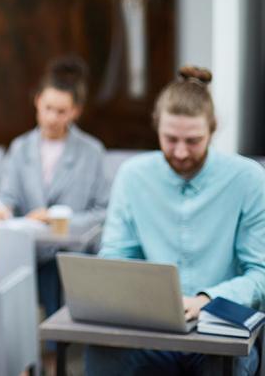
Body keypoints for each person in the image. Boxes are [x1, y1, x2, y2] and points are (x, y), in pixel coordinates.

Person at [85, 66, 265, 376]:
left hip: (219, 331)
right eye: (170, 139)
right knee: (102, 356)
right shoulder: (133, 176)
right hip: (149, 331)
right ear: (156, 127)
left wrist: (207, 299)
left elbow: (260, 272)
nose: (180, 152)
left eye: (193, 141)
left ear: (213, 129)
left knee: (224, 365)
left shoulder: (248, 179)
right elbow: (116, 256)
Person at [0, 56, 109, 321]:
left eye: (61, 111)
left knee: (56, 277)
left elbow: (104, 211)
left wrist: (61, 220)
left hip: (70, 254)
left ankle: (54, 349)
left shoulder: (91, 152)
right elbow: (6, 196)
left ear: (76, 111)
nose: (52, 118)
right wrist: (6, 212)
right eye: (47, 108)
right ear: (37, 101)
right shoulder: (20, 148)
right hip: (28, 252)